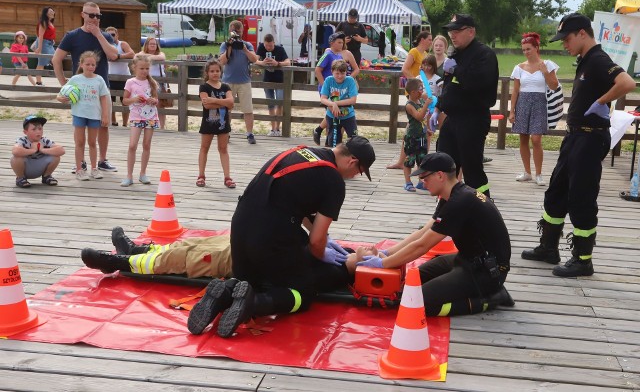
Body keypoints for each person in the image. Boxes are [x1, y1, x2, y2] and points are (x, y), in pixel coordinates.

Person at [187, 136, 376, 338]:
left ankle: (224, 292)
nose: (354, 176)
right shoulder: (334, 181)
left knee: (250, 282)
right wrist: (322, 256)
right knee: (302, 291)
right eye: (359, 172)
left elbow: (297, 207)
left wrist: (323, 240)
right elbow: (315, 242)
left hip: (241, 226)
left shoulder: (300, 152)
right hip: (271, 236)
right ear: (352, 161)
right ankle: (254, 304)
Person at [521, 13, 636, 277]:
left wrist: (602, 101)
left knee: (581, 198)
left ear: (583, 33)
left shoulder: (597, 59)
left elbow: (627, 82)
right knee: (556, 192)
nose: (564, 44)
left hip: (590, 138)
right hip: (575, 137)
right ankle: (548, 247)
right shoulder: (585, 60)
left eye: (567, 38)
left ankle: (583, 259)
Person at [358, 152, 514, 316]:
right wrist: (387, 253)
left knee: (413, 302)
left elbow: (423, 245)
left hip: (486, 273)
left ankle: (491, 299)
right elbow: (424, 231)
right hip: (467, 259)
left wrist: (384, 264)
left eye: (425, 178)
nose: (423, 183)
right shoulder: (452, 195)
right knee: (411, 281)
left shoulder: (459, 202)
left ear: (440, 175)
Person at [80, 227, 380, 285]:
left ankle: (119, 262)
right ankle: (136, 249)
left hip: (243, 262)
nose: (369, 248)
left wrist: (353, 265)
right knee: (187, 247)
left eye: (371, 254)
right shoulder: (339, 254)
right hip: (251, 243)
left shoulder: (337, 270)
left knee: (181, 261)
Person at [429, 13, 499, 197]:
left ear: (471, 32)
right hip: (452, 119)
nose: (452, 35)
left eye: (457, 30)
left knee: (472, 170)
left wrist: (457, 70)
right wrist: (438, 108)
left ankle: (483, 210)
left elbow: (479, 83)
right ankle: (446, 211)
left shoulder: (484, 55)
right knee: (443, 168)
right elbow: (448, 87)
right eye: (450, 31)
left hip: (473, 119)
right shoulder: (455, 54)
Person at [52, 1, 118, 173]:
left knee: (104, 124)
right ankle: (80, 162)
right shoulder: (72, 36)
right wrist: (64, 85)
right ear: (83, 15)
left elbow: (113, 55)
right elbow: (56, 59)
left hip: (102, 88)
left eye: (98, 16)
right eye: (91, 15)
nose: (94, 19)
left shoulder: (105, 36)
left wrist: (98, 35)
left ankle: (102, 160)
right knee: (80, 126)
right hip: (80, 90)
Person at [509, 32, 560, 186]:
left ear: (537, 47)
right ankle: (527, 172)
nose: (526, 52)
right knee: (523, 137)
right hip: (523, 103)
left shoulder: (547, 64)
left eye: (529, 49)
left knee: (536, 139)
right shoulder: (519, 67)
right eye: (523, 49)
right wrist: (512, 111)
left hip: (539, 103)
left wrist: (544, 72)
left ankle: (539, 174)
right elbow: (515, 91)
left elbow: (554, 86)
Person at [56, 51, 110, 181]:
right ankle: (79, 169)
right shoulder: (75, 79)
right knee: (79, 142)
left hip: (94, 115)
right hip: (79, 114)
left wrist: (105, 115)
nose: (90, 67)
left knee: (92, 142)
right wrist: (60, 98)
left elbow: (104, 98)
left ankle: (94, 169)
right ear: (81, 64)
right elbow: (62, 93)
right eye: (88, 64)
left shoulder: (99, 79)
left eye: (93, 64)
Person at [387, 31, 433, 170]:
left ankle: (419, 159)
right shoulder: (414, 51)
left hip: (421, 92)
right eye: (429, 39)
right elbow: (405, 69)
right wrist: (417, 84)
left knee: (422, 125)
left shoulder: (425, 55)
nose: (431, 42)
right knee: (414, 123)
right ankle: (403, 160)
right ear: (422, 39)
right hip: (414, 92)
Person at [312, 32, 360, 145]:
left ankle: (331, 139)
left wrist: (348, 81)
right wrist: (324, 85)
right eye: (339, 42)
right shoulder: (328, 53)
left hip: (342, 88)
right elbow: (317, 70)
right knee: (332, 114)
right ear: (332, 43)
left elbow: (355, 69)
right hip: (330, 87)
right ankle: (330, 141)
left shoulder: (342, 55)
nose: (341, 44)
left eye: (342, 42)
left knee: (339, 114)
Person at [120, 55, 159, 187]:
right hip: (136, 116)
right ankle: (129, 175)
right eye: (141, 68)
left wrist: (154, 101)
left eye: (147, 68)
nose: (144, 71)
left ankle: (143, 173)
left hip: (151, 117)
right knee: (132, 145)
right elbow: (124, 100)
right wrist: (134, 99)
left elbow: (156, 99)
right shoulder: (130, 82)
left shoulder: (152, 82)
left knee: (146, 144)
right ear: (134, 68)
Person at [196, 59, 235, 189]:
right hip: (208, 122)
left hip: (223, 123)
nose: (215, 73)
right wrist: (223, 101)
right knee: (204, 148)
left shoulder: (226, 87)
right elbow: (206, 105)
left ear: (221, 72)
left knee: (223, 149)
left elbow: (231, 103)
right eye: (212, 71)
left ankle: (227, 177)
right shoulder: (204, 87)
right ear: (207, 72)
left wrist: (214, 100)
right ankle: (201, 175)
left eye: (217, 71)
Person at [219, 20, 258, 144]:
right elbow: (222, 61)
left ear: (242, 31)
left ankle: (250, 133)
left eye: (238, 31)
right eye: (234, 31)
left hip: (244, 81)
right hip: (228, 81)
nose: (236, 33)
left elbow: (254, 59)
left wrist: (244, 49)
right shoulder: (225, 45)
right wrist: (230, 47)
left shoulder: (247, 44)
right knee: (226, 109)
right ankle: (226, 133)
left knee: (248, 109)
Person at [11, 115, 65, 188]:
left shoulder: (44, 140)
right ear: (25, 132)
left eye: (40, 129)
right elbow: (15, 151)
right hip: (26, 167)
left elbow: (61, 150)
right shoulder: (22, 140)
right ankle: (20, 178)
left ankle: (46, 176)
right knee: (16, 158)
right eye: (34, 129)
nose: (38, 132)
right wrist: (33, 150)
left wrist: (42, 150)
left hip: (40, 167)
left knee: (56, 156)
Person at [255, 34, 290, 136]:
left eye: (270, 45)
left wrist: (277, 63)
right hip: (267, 79)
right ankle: (273, 128)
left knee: (279, 103)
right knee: (270, 103)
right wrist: (262, 63)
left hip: (280, 80)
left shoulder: (280, 49)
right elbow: (255, 60)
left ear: (274, 43)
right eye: (266, 46)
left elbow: (288, 62)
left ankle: (278, 129)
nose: (268, 48)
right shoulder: (261, 47)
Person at [320, 59, 359, 147]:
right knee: (334, 144)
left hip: (348, 115)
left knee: (354, 141)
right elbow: (323, 99)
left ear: (346, 72)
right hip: (333, 115)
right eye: (337, 73)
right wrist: (333, 104)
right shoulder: (328, 80)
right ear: (332, 71)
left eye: (343, 73)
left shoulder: (350, 80)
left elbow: (353, 100)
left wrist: (336, 103)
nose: (340, 76)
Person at [402, 78, 430, 192]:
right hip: (412, 137)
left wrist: (427, 129)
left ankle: (421, 181)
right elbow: (418, 116)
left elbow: (424, 119)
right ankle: (408, 182)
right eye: (420, 89)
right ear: (413, 92)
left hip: (422, 136)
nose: (422, 91)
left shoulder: (421, 102)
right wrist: (427, 104)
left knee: (422, 160)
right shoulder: (409, 105)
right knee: (409, 160)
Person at [136, 37, 170, 129]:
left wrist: (147, 57)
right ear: (146, 45)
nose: (152, 45)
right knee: (147, 103)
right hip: (147, 81)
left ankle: (161, 126)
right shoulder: (141, 53)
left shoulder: (160, 53)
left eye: (154, 44)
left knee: (160, 105)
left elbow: (162, 57)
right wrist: (150, 57)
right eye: (150, 43)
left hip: (160, 82)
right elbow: (136, 57)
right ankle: (149, 124)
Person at [105, 26, 135, 126]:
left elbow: (132, 54)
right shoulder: (105, 45)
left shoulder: (123, 44)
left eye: (113, 34)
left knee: (125, 102)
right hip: (110, 77)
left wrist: (118, 56)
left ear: (117, 35)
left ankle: (125, 124)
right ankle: (113, 122)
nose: (111, 36)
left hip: (124, 77)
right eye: (108, 35)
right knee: (110, 101)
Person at [34, 6, 56, 87]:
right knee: (41, 63)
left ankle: (61, 78)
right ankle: (38, 82)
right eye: (50, 12)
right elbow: (41, 35)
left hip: (49, 43)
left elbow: (49, 34)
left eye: (52, 11)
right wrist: (39, 48)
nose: (52, 13)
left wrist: (52, 40)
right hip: (43, 43)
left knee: (56, 59)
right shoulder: (43, 22)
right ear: (45, 14)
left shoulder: (50, 22)